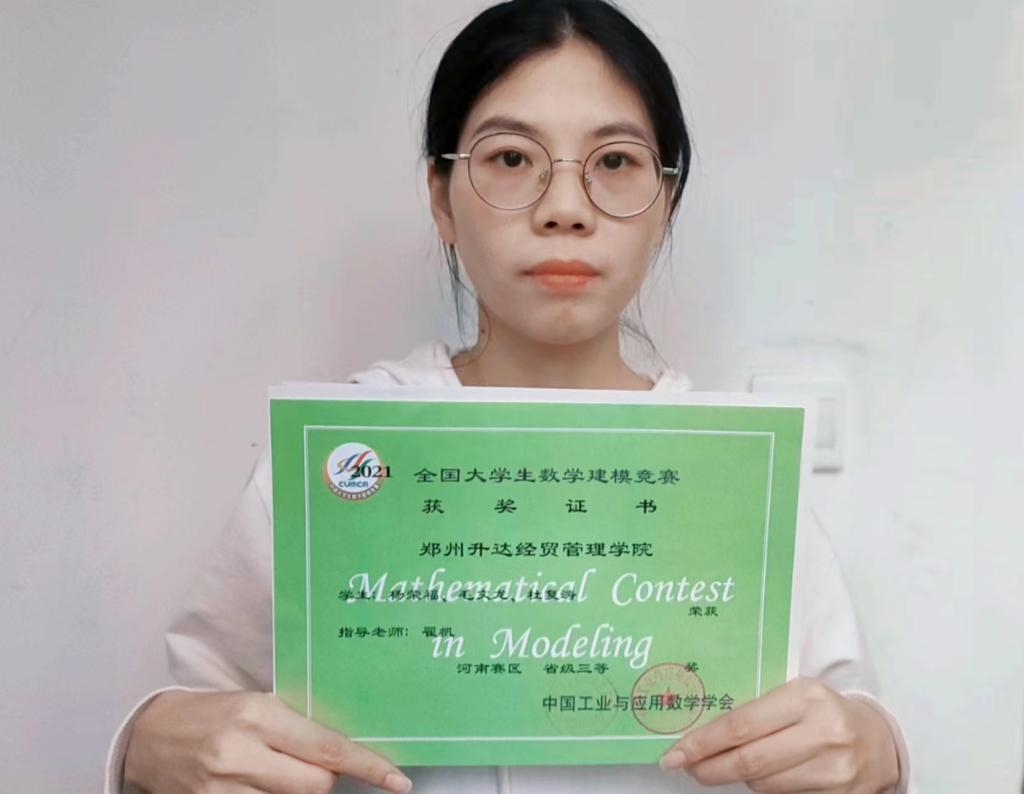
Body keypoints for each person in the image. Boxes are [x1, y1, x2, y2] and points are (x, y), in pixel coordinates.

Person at [106, 1, 912, 792]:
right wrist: (145, 742)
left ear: (665, 204)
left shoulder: (738, 468)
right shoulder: (341, 449)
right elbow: (206, 709)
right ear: (440, 196)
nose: (564, 209)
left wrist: (878, 751)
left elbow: (842, 720)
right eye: (512, 158)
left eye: (616, 162)